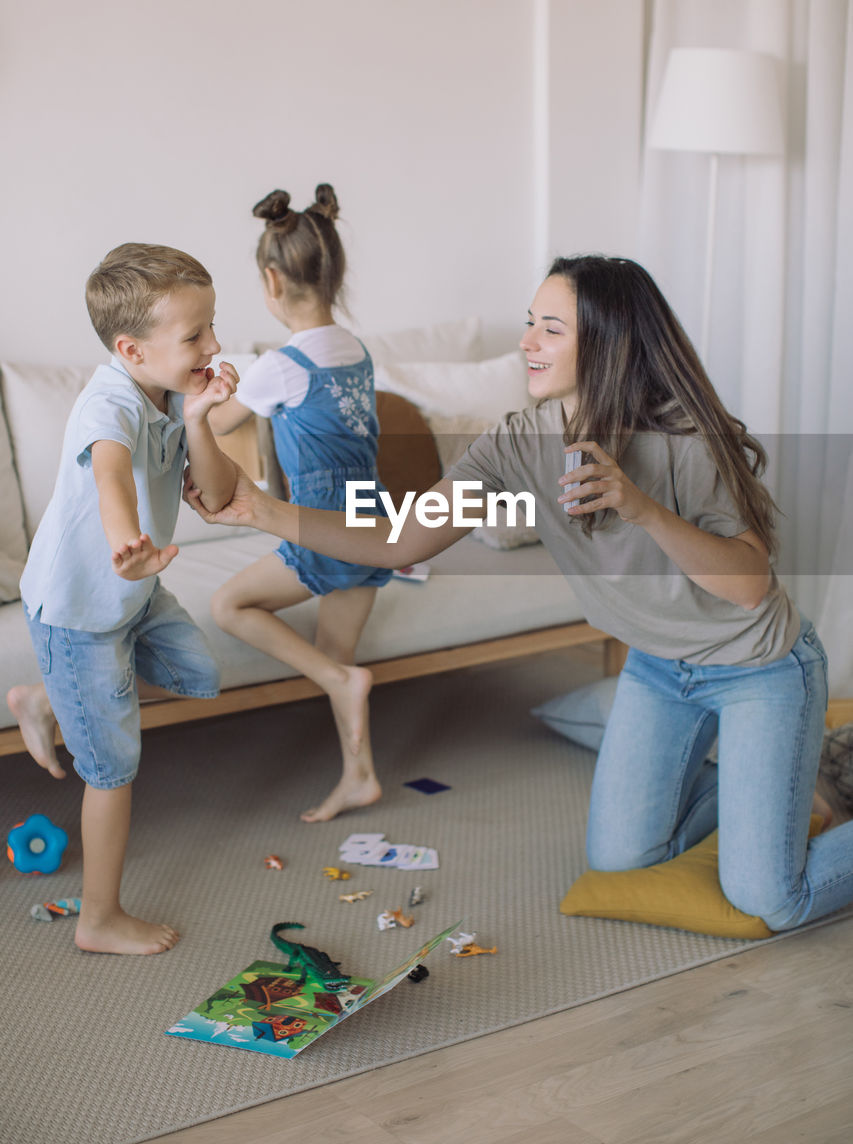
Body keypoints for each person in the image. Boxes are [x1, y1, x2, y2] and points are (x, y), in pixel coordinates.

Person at [186, 254, 853, 932]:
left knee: (769, 898)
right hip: (658, 668)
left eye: (550, 330)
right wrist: (262, 513)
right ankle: (777, 796)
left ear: (607, 343)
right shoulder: (514, 444)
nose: (526, 342)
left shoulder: (684, 438)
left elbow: (746, 588)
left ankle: (775, 802)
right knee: (621, 861)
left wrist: (640, 506)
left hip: (756, 670)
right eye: (530, 324)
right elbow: (398, 542)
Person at [7, 243, 238, 955]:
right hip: (81, 608)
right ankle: (98, 919)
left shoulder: (171, 393)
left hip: (132, 599)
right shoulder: (106, 402)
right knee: (112, 770)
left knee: (201, 677)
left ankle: (46, 698)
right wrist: (126, 541)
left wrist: (200, 417)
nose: (214, 344)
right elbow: (109, 472)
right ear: (131, 349)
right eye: (194, 335)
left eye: (211, 326)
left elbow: (221, 493)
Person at [205, 184, 390, 822]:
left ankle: (340, 683)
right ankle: (359, 775)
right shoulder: (357, 351)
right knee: (340, 657)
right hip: (375, 515)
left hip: (326, 524)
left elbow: (223, 423)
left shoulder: (280, 365)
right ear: (334, 273)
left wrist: (204, 393)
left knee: (230, 604)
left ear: (272, 281)